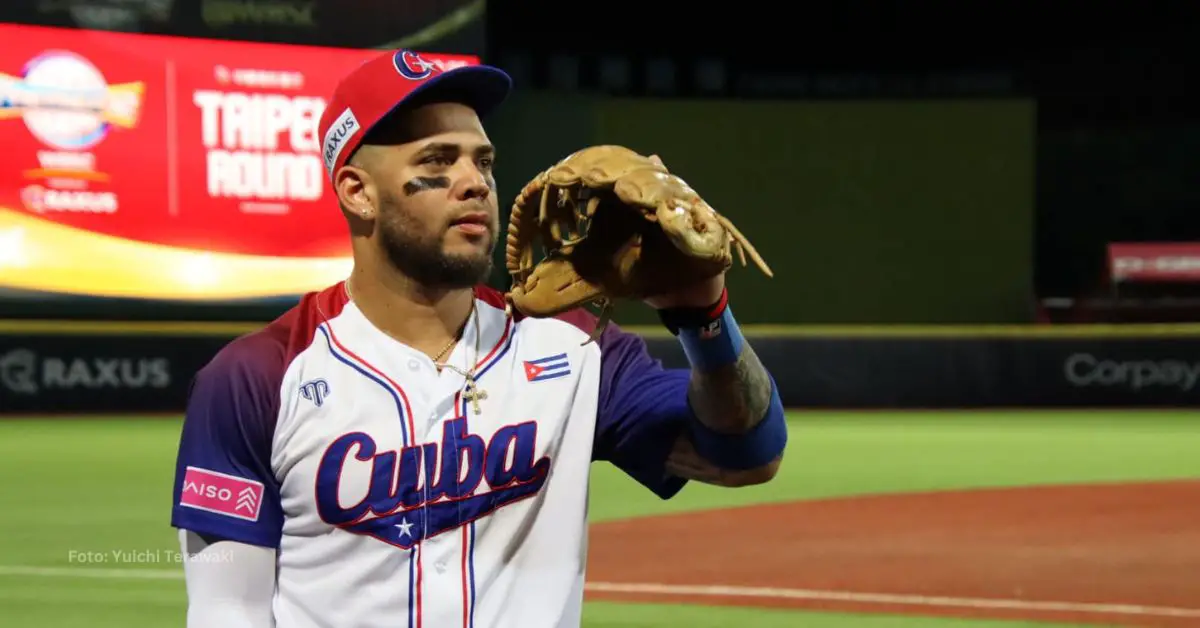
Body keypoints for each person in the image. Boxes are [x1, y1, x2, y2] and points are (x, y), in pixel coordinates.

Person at [170, 48, 788, 628]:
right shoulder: (258, 377)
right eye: (437, 162)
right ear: (357, 192)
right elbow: (229, 612)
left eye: (483, 162)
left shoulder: (571, 348)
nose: (475, 183)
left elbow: (747, 456)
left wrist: (702, 312)